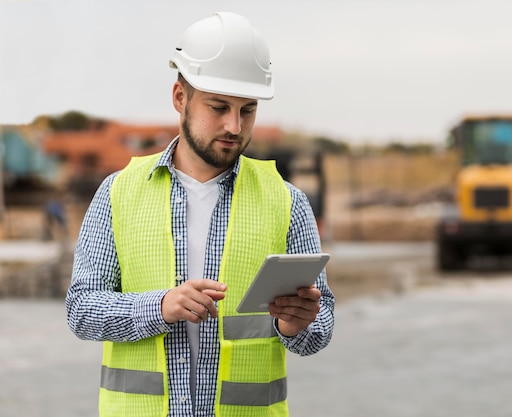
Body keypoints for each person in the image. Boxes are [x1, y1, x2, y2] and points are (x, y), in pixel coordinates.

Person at [66, 11, 334, 417]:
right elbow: (81, 310)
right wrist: (158, 307)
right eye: (218, 106)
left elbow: (320, 324)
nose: (233, 125)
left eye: (247, 110)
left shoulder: (287, 202)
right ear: (180, 98)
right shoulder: (118, 193)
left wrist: (296, 327)